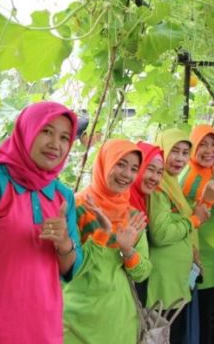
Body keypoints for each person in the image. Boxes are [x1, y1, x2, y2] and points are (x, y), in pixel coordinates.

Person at [0, 102, 82, 344]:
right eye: (46, 131)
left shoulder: (63, 196)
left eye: (64, 137)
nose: (56, 144)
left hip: (44, 332)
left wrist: (64, 243)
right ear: (27, 130)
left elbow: (71, 269)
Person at [63, 139, 151, 344]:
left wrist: (128, 251)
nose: (127, 174)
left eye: (134, 168)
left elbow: (143, 273)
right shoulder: (76, 207)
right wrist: (102, 234)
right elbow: (69, 268)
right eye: (120, 164)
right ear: (105, 162)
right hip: (76, 320)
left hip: (120, 321)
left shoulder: (133, 216)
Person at [148, 129, 210, 344]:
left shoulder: (171, 184)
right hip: (163, 285)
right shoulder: (158, 187)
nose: (180, 158)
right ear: (161, 150)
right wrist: (194, 219)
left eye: (185, 153)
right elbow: (161, 233)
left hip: (176, 281)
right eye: (174, 151)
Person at [180, 125, 214, 344]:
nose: (209, 150)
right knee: (204, 323)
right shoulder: (187, 176)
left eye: (213, 144)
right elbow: (185, 218)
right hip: (203, 260)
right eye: (202, 144)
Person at [128, 141, 165, 305]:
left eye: (159, 172)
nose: (155, 178)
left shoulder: (143, 200)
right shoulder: (125, 203)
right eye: (150, 169)